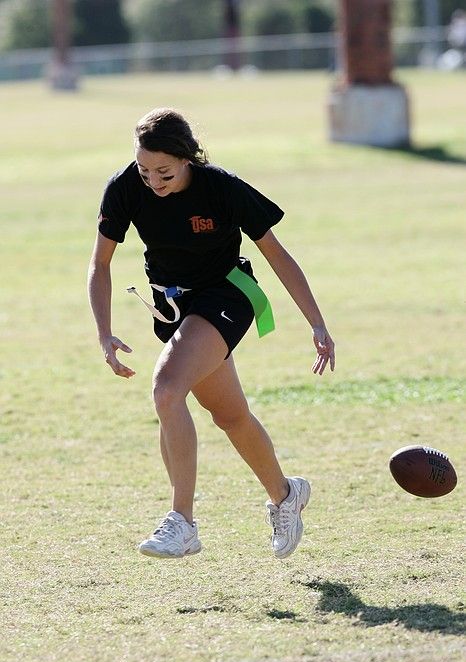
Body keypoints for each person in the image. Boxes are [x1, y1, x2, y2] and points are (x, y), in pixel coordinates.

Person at [88, 108, 335, 560]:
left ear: (187, 159)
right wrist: (104, 332)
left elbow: (278, 255)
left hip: (227, 294)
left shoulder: (221, 188)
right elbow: (99, 264)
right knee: (230, 416)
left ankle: (182, 522)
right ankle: (286, 495)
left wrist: (316, 322)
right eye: (145, 170)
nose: (153, 181)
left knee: (166, 390)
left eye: (164, 171)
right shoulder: (125, 188)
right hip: (173, 306)